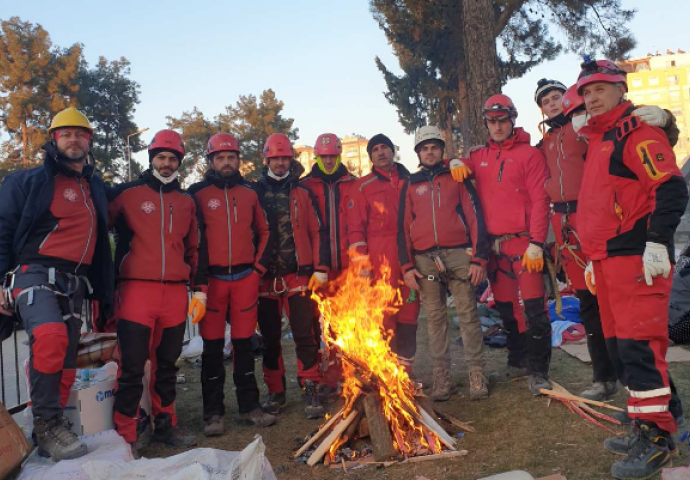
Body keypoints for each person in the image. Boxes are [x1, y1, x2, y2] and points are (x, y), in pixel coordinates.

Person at [576, 59, 688, 479]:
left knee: (639, 348)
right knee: (623, 349)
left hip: (638, 258)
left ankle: (657, 439)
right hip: (608, 259)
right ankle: (653, 419)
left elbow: (672, 187)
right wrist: (592, 256)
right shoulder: (600, 139)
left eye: (600, 88)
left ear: (621, 88)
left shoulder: (636, 132)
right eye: (586, 91)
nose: (592, 96)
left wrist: (657, 242)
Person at [0, 108, 114, 460]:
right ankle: (47, 424)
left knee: (65, 355)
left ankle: (52, 426)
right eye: (66, 133)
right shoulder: (28, 181)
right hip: (34, 273)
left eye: (80, 133)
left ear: (90, 141)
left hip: (74, 282)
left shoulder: (94, 185)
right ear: (54, 139)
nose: (73, 139)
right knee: (49, 338)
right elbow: (2, 228)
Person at [449, 94, 552, 395]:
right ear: (486, 123)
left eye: (502, 120)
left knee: (534, 308)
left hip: (524, 245)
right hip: (495, 249)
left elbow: (540, 199)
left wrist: (537, 242)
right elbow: (463, 167)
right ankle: (518, 359)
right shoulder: (480, 156)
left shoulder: (530, 155)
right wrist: (455, 160)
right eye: (491, 121)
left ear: (512, 120)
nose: (497, 126)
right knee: (507, 309)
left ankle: (539, 371)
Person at [109, 129, 200, 456]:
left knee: (167, 365)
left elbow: (195, 249)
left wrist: (199, 290)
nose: (166, 163)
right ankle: (126, 433)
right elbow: (93, 227)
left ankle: (166, 425)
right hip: (136, 291)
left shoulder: (187, 201)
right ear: (151, 159)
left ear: (179, 162)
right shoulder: (126, 194)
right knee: (132, 366)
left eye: (172, 158)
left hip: (175, 294)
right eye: (160, 157)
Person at [188, 133, 277, 436]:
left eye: (231, 157)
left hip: (244, 279)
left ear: (239, 160)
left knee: (244, 346)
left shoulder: (251, 193)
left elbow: (266, 231)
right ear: (211, 160)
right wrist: (197, 282)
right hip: (211, 282)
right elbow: (191, 239)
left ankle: (250, 406)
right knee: (212, 349)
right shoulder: (196, 193)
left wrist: (257, 270)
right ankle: (213, 413)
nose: (226, 162)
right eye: (220, 158)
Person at [399, 126, 490, 401]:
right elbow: (401, 227)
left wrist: (479, 258)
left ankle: (476, 373)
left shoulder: (457, 176)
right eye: (424, 147)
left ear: (441, 150)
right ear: (418, 152)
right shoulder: (410, 183)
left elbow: (476, 217)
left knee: (467, 315)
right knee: (435, 320)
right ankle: (442, 376)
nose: (430, 151)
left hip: (459, 255)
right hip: (425, 260)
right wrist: (406, 266)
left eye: (434, 147)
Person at [254, 133, 330, 419]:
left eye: (285, 158)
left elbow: (317, 231)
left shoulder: (302, 192)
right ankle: (276, 391)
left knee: (305, 334)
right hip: (265, 278)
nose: (281, 163)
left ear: (291, 160)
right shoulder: (255, 192)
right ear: (267, 160)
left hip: (299, 274)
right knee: (270, 339)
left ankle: (310, 385)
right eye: (276, 158)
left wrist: (320, 268)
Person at [348, 134, 420, 375]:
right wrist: (362, 265)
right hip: (380, 261)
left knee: (409, 317)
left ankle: (406, 375)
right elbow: (355, 228)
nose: (381, 153)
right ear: (370, 156)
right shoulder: (362, 186)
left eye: (385, 148)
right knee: (384, 318)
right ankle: (387, 373)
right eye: (376, 149)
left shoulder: (412, 181)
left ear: (393, 151)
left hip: (411, 258)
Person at [299, 133, 358, 391]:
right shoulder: (305, 186)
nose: (329, 161)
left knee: (343, 325)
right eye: (324, 157)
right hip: (315, 268)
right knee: (313, 324)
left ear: (339, 154)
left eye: (333, 156)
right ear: (317, 156)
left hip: (346, 267)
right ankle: (316, 377)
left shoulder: (353, 183)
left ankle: (341, 373)